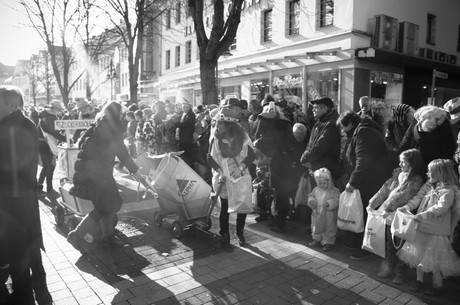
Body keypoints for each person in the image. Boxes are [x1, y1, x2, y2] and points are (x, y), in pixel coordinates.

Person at [0, 85, 52, 305]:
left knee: (17, 248)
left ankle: (24, 295)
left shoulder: (13, 127)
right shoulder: (19, 124)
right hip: (19, 199)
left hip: (13, 200)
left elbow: (10, 167)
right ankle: (37, 282)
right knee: (27, 243)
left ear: (11, 104)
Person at [67, 101, 142, 251]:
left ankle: (108, 237)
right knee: (107, 205)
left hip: (89, 172)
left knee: (108, 204)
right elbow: (121, 152)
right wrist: (134, 170)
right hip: (99, 174)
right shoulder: (112, 128)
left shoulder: (97, 124)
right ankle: (77, 234)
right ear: (117, 114)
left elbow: (81, 142)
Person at [397, 159, 460, 295]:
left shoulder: (448, 191)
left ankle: (437, 285)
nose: (427, 173)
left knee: (435, 260)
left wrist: (422, 215)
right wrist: (406, 207)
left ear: (441, 173)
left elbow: (441, 208)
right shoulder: (428, 186)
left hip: (436, 232)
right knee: (418, 256)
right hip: (422, 228)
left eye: (430, 172)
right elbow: (417, 198)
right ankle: (419, 280)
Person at [337, 110, 392, 260]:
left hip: (370, 180)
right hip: (368, 179)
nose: (342, 130)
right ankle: (358, 241)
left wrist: (352, 182)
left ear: (350, 123)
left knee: (367, 213)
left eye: (343, 127)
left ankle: (367, 247)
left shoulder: (364, 132)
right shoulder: (361, 130)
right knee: (361, 211)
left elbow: (363, 161)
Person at [367, 149, 424, 285]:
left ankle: (400, 272)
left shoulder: (415, 180)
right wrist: (373, 202)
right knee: (389, 244)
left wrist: (388, 208)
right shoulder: (397, 174)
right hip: (389, 216)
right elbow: (385, 188)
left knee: (401, 246)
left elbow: (405, 195)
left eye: (403, 162)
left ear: (413, 163)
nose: (400, 164)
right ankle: (388, 267)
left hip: (401, 218)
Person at [208, 108, 255, 249]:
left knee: (242, 206)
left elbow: (251, 155)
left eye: (221, 123)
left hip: (241, 174)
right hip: (223, 176)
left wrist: (240, 168)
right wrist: (220, 172)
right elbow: (209, 157)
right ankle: (225, 235)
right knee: (225, 207)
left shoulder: (244, 137)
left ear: (230, 124)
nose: (218, 126)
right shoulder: (215, 137)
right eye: (217, 123)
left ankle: (240, 232)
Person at [300, 97, 341, 180]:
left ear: (325, 109)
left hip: (326, 170)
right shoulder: (319, 122)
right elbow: (310, 143)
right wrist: (307, 158)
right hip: (317, 167)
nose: (313, 110)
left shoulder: (331, 124)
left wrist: (305, 158)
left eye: (316, 108)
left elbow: (321, 146)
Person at [306, 168, 340, 252]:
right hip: (317, 213)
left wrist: (330, 203)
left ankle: (328, 242)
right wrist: (311, 201)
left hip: (329, 214)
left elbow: (338, 199)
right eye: (319, 183)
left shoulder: (334, 191)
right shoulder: (316, 190)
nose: (322, 185)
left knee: (329, 228)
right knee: (316, 226)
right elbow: (311, 196)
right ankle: (317, 239)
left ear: (330, 182)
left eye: (324, 183)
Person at [37, 100, 66, 197]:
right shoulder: (50, 117)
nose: (60, 111)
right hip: (46, 144)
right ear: (55, 109)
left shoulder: (46, 115)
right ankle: (49, 190)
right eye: (59, 109)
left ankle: (39, 187)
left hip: (43, 143)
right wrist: (66, 139)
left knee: (47, 166)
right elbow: (53, 132)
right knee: (50, 166)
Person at [252, 138, 274, 223]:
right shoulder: (259, 163)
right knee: (260, 199)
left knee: (268, 200)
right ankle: (263, 214)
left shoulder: (267, 163)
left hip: (270, 188)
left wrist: (259, 184)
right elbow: (259, 175)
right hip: (263, 186)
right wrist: (256, 180)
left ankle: (271, 215)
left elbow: (268, 179)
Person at [177, 101, 196, 168]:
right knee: (183, 154)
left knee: (188, 154)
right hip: (182, 138)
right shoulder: (183, 114)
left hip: (187, 138)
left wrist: (179, 123)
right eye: (183, 107)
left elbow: (186, 124)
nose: (184, 108)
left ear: (189, 107)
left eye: (185, 107)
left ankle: (190, 167)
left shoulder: (191, 115)